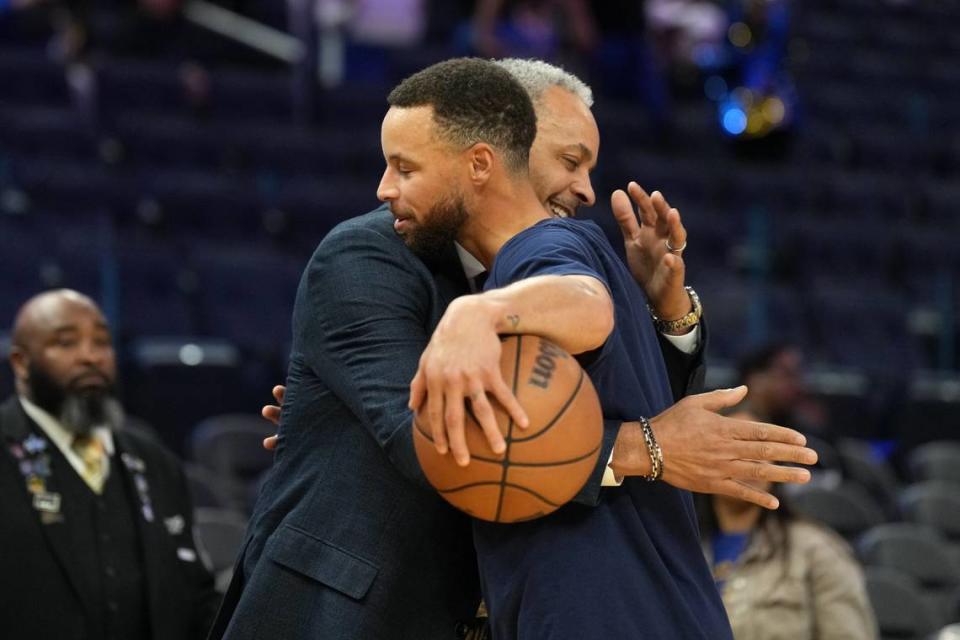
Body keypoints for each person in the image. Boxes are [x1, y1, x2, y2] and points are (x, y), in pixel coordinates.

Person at [214, 58, 815, 640]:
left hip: (494, 603)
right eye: (569, 160)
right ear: (499, 147)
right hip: (354, 608)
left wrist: (665, 309)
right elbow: (422, 437)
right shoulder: (369, 256)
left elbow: (636, 400)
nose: (585, 190)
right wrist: (642, 449)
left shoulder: (553, 259)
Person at [0, 289, 219, 640]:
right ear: (21, 363)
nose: (91, 357)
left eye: (102, 342)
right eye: (66, 343)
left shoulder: (155, 462)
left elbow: (196, 597)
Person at [695, 414, 877, 640]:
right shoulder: (675, 545)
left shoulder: (816, 549)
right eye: (736, 447)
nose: (750, 460)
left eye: (761, 449)